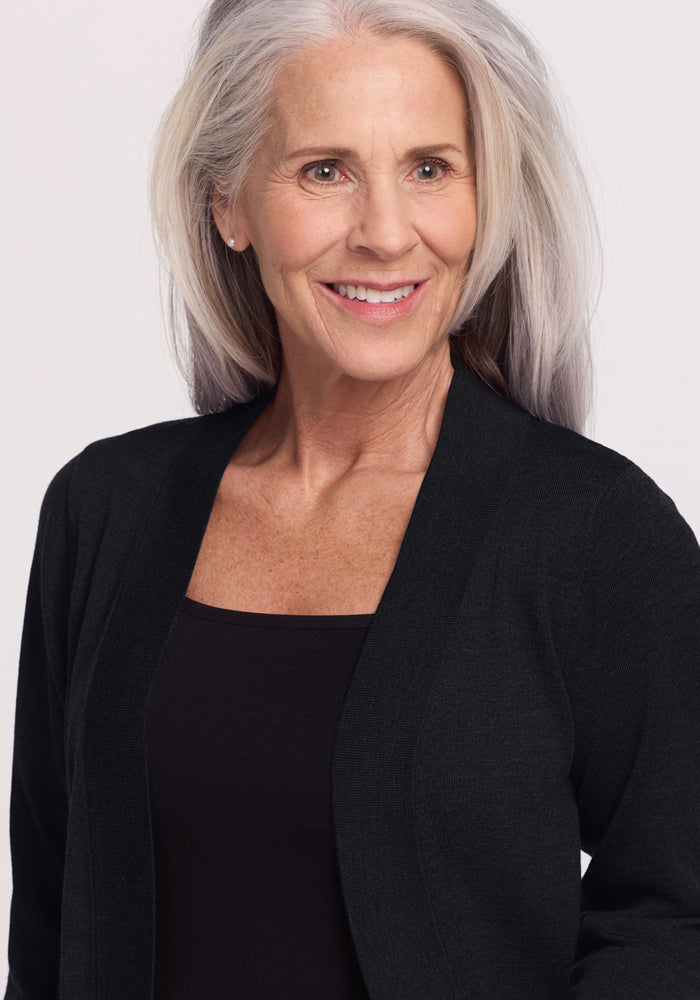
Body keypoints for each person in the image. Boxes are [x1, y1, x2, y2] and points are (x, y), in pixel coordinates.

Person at [5, 0, 700, 996]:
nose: (384, 232)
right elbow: (49, 930)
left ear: (484, 196)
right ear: (228, 203)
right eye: (324, 170)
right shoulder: (104, 512)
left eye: (429, 168)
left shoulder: (598, 536)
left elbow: (675, 915)